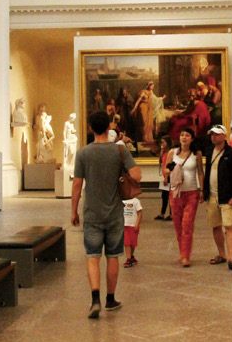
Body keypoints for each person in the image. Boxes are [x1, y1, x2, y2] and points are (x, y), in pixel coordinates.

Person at [71, 109, 140, 319]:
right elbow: (137, 175)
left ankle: (95, 300)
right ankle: (110, 299)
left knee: (92, 256)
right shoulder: (119, 151)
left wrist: (74, 211)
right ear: (109, 126)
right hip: (114, 213)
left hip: (92, 213)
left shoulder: (83, 153)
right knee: (112, 256)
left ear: (91, 128)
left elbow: (77, 185)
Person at [202, 123, 232, 270]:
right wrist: (204, 192)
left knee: (228, 226)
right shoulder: (209, 151)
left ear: (224, 136)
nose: (213, 137)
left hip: (227, 197)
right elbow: (207, 173)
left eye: (216, 134)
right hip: (212, 196)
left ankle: (231, 257)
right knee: (215, 226)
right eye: (212, 134)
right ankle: (222, 254)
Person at [165, 127, 201, 267]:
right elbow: (165, 170)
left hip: (192, 192)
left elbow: (200, 172)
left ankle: (185, 256)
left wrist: (202, 190)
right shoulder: (172, 153)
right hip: (175, 193)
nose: (184, 137)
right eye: (182, 135)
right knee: (178, 225)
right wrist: (173, 168)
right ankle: (182, 252)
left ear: (192, 139)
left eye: (187, 135)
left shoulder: (196, 154)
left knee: (187, 224)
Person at [122, 195, 142, 268]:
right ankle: (128, 259)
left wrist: (137, 224)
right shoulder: (121, 200)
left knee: (133, 243)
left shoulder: (136, 201)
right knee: (127, 242)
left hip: (133, 226)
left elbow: (139, 213)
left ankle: (131, 256)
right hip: (124, 225)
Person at [155, 136, 171, 220]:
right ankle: (162, 213)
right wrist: (161, 152)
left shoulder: (170, 153)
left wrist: (166, 177)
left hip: (169, 176)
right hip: (165, 176)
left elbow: (169, 166)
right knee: (164, 196)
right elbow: (161, 162)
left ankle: (171, 214)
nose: (162, 144)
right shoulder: (164, 153)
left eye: (163, 142)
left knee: (169, 195)